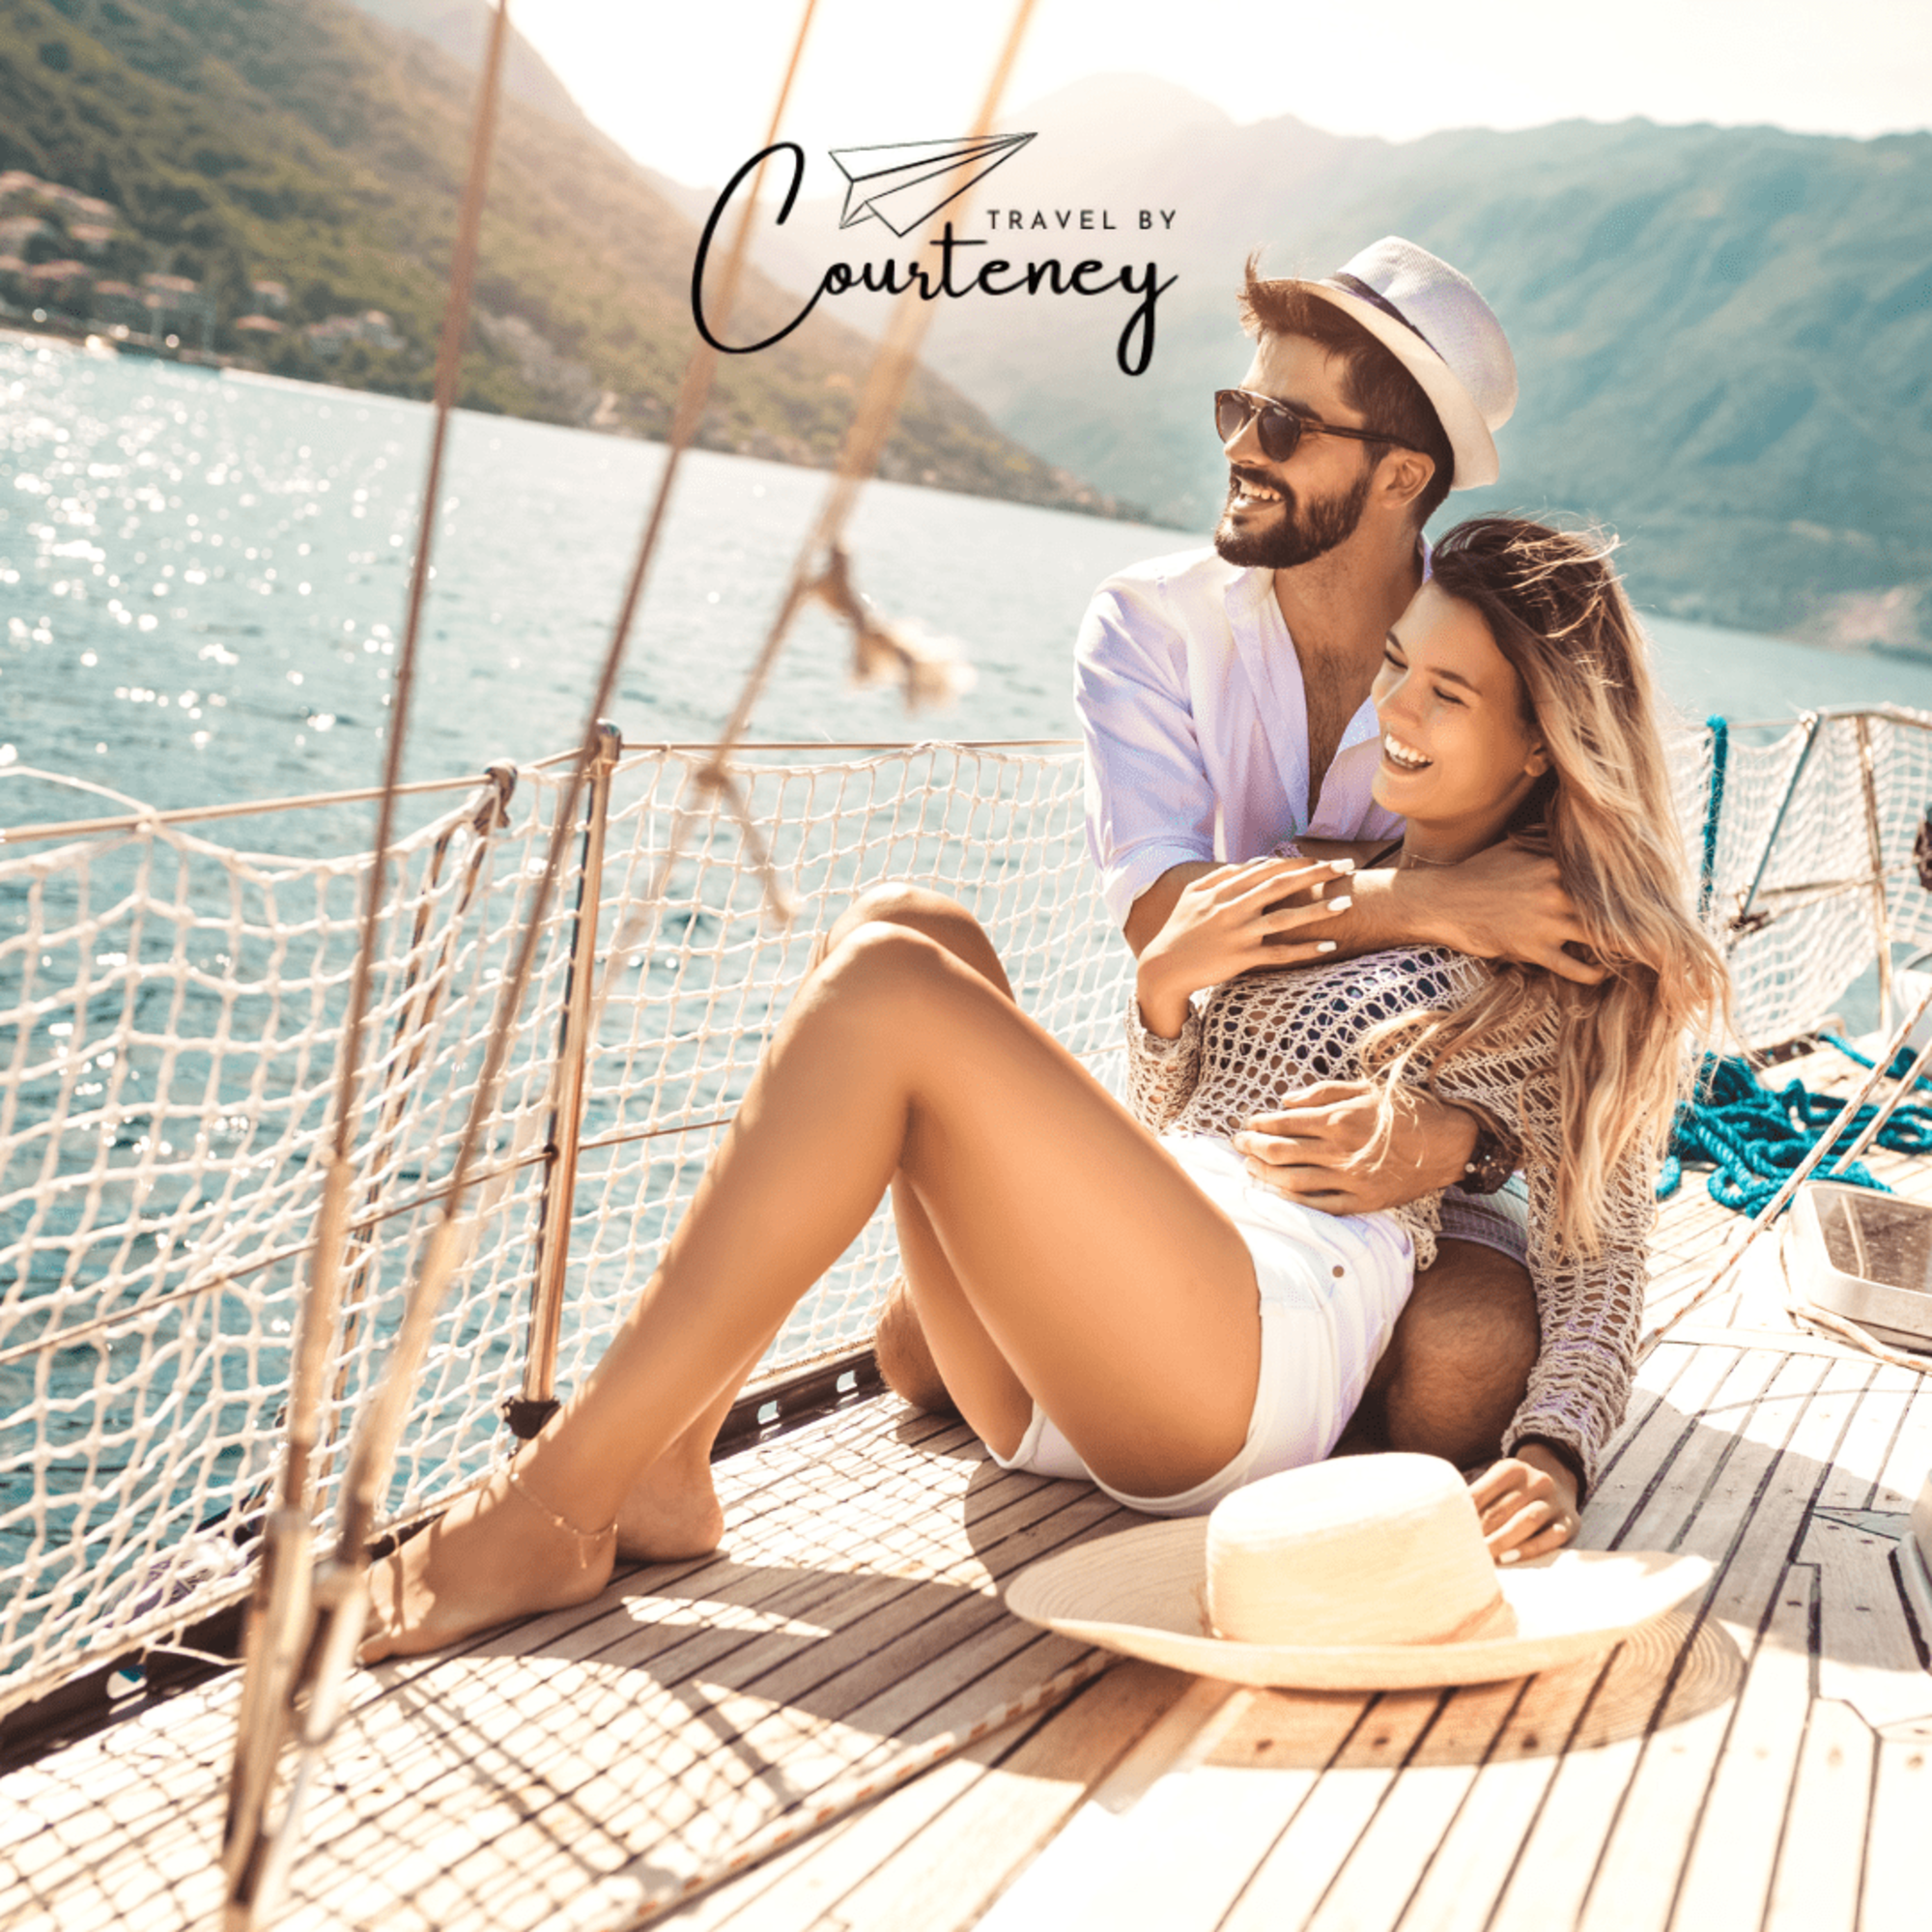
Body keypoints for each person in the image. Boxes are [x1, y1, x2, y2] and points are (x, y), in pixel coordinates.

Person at [361, 515, 1726, 1662]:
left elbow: (1602, 1256)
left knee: (891, 990)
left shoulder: (1577, 966)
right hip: (1125, 1331)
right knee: (910, 924)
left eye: (1448, 692)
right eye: (1395, 666)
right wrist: (1165, 989)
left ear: (1545, 745)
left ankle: (551, 1511)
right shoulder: (1309, 870)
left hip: (1262, 1346)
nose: (1391, 712)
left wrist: (1554, 1448)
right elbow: (1180, 1099)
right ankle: (668, 1458)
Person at [878, 237, 1598, 1468]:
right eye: (1236, 406)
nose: (1237, 445)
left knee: (1464, 1356)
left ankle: (1270, 1396)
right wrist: (1433, 897)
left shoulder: (1489, 656)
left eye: (1282, 422)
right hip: (1221, 1090)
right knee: (912, 1353)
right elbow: (1166, 918)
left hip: (1438, 1126)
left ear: (1398, 474)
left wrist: (1468, 1140)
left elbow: (1566, 972)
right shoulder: (1149, 622)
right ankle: (1250, 1375)